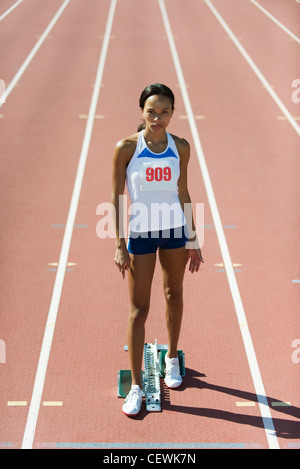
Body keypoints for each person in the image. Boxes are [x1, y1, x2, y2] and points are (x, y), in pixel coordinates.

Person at [112, 83, 204, 417]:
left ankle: (171, 359)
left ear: (172, 113)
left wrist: (193, 238)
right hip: (141, 236)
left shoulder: (180, 147)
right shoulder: (126, 148)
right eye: (152, 111)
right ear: (142, 111)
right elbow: (118, 198)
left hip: (174, 232)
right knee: (138, 310)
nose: (158, 117)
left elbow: (184, 193)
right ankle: (136, 387)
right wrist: (119, 244)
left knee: (174, 294)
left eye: (165, 111)